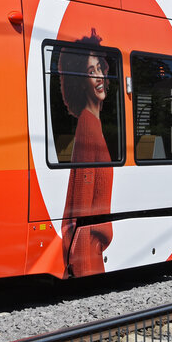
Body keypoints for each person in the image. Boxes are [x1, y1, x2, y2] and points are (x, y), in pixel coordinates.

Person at [58, 30, 114, 277]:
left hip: (92, 253)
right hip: (89, 258)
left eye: (99, 68)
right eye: (91, 73)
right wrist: (81, 271)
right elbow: (79, 217)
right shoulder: (89, 126)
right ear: (80, 82)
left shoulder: (94, 124)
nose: (99, 77)